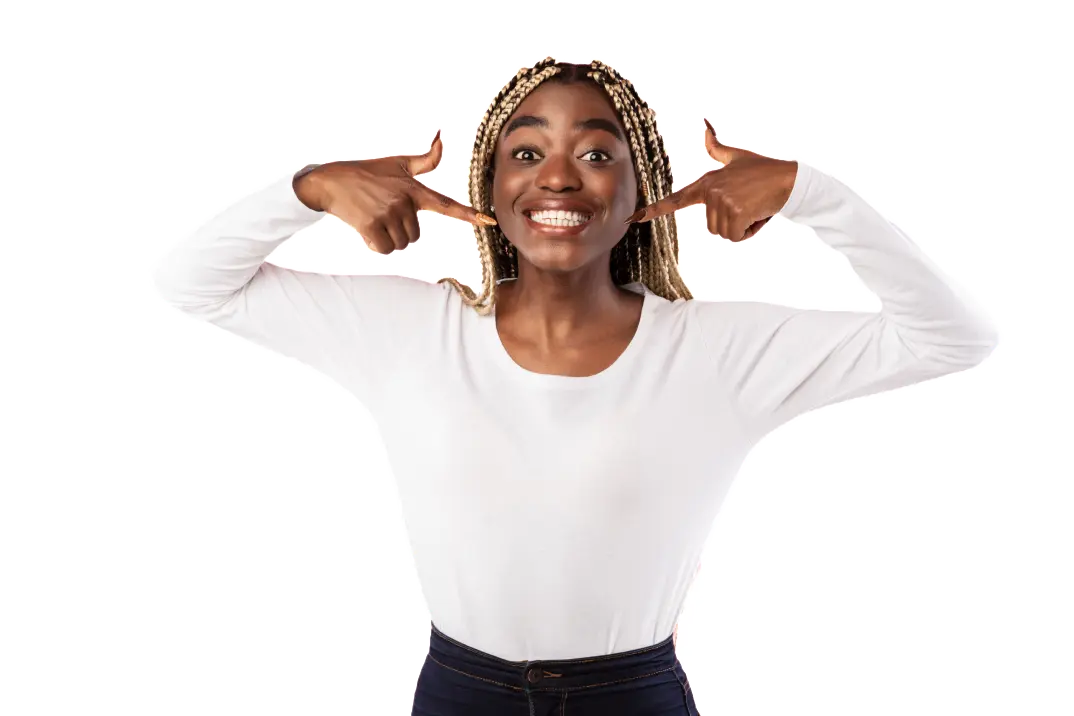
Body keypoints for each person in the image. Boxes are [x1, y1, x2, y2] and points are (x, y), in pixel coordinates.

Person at [151, 58, 998, 715]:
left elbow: (957, 339)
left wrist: (815, 196)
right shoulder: (410, 329)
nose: (558, 177)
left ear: (642, 189)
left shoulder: (716, 350)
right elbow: (186, 285)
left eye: (596, 153)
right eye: (526, 152)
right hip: (458, 693)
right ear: (489, 186)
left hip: (632, 696)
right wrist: (307, 189)